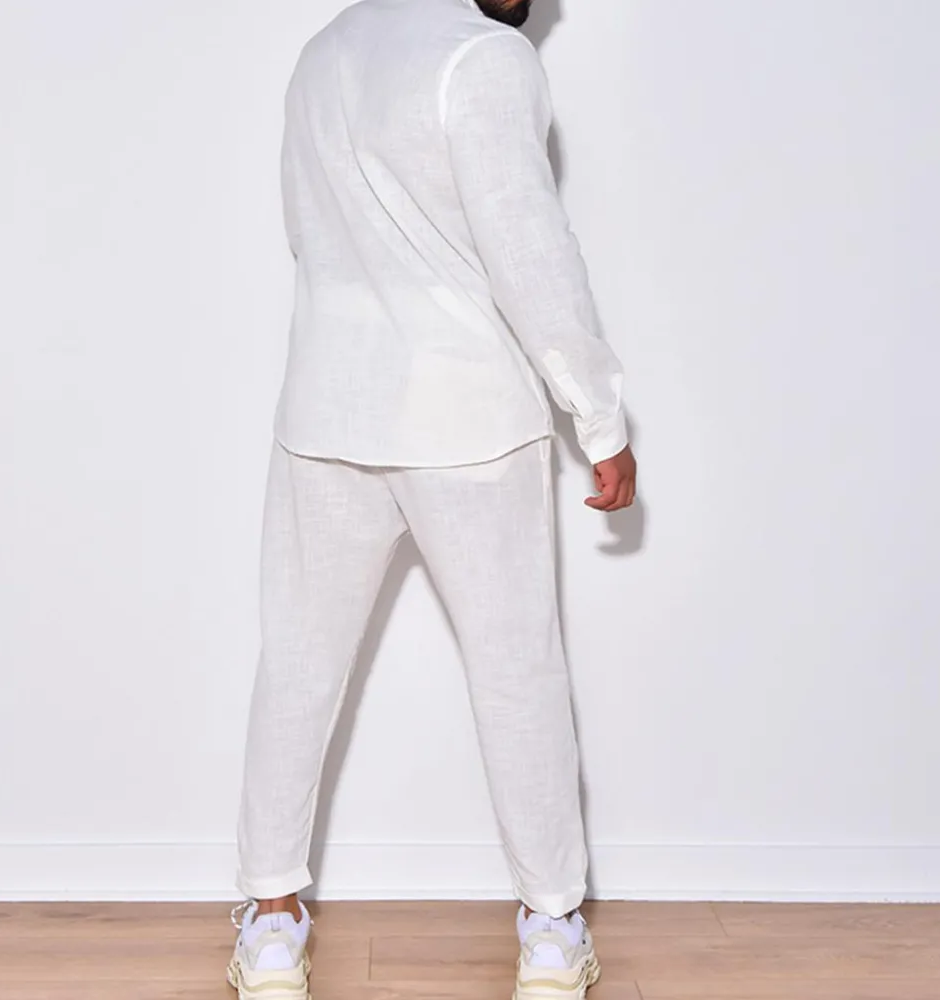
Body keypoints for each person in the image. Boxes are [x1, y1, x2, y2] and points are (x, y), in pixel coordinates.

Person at [227, 0, 636, 996]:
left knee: (298, 667)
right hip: (466, 416)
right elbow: (530, 251)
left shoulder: (324, 51)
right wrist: (599, 416)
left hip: (328, 402)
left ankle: (272, 927)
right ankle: (551, 928)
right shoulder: (483, 58)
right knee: (516, 671)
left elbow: (306, 234)